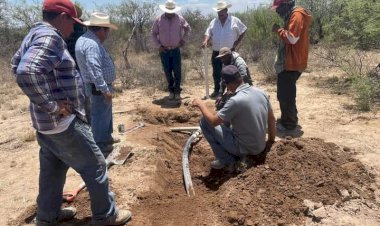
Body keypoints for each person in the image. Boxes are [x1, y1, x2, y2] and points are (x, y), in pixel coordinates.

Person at [10, 0, 131, 225]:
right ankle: (106, 216)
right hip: (62, 124)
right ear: (62, 17)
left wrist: (46, 105)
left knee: (52, 171)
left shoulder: (33, 34)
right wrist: (53, 106)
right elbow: (26, 72)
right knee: (96, 166)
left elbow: (14, 64)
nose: (74, 28)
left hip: (45, 125)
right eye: (73, 22)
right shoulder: (51, 37)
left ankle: (48, 215)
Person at [192, 65, 276, 170]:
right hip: (260, 146)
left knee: (205, 121)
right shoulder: (261, 92)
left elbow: (213, 122)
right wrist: (270, 141)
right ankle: (235, 154)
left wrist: (201, 105)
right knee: (228, 121)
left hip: (245, 149)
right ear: (240, 78)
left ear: (227, 83)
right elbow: (272, 119)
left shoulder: (235, 100)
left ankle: (226, 160)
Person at [75, 12, 120, 156]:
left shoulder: (86, 39)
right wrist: (104, 89)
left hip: (94, 86)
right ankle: (102, 145)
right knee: (100, 115)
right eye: (106, 30)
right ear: (101, 29)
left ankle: (106, 139)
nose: (107, 34)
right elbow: (94, 69)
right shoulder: (91, 44)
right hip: (97, 87)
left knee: (102, 114)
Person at [271, 0, 312, 131]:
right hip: (290, 62)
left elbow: (292, 39)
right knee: (284, 93)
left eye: (278, 8)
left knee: (286, 95)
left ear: (286, 5)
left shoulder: (297, 15)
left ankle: (289, 124)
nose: (277, 12)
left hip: (292, 62)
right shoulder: (292, 15)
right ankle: (287, 119)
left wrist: (278, 30)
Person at [201, 1, 247, 99]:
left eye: (222, 11)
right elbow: (208, 33)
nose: (220, 13)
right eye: (218, 11)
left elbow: (243, 30)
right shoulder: (214, 21)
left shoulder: (234, 20)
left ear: (226, 10)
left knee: (229, 72)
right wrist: (205, 41)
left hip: (228, 52)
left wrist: (237, 42)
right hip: (216, 52)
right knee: (216, 73)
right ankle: (217, 91)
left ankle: (230, 92)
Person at [151, 0, 191, 101]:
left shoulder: (180, 19)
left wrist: (184, 40)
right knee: (167, 71)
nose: (170, 12)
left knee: (177, 71)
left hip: (176, 49)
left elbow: (188, 29)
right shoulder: (158, 20)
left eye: (172, 10)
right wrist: (158, 46)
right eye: (168, 10)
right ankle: (171, 91)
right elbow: (153, 33)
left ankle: (177, 91)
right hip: (164, 50)